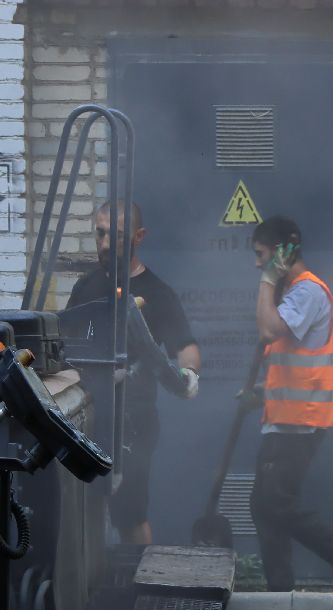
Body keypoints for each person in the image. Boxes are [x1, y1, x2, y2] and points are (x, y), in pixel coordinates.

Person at [248, 215, 333, 593]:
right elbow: (291, 359)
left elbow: (269, 330)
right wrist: (262, 393)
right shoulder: (295, 294)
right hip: (285, 419)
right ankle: (281, 591)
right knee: (263, 506)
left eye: (261, 255)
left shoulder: (308, 292)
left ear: (280, 252)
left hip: (300, 422)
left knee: (274, 503)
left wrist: (267, 281)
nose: (257, 263)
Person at [64, 200, 202, 545]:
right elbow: (65, 342)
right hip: (88, 417)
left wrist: (188, 376)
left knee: (130, 515)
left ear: (139, 237)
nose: (106, 243)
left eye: (118, 235)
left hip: (133, 423)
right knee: (85, 513)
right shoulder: (86, 288)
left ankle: (138, 589)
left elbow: (187, 348)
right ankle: (92, 587)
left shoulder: (158, 294)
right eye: (100, 233)